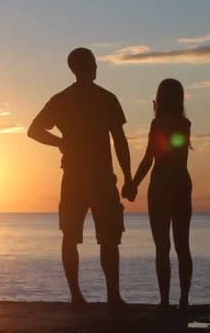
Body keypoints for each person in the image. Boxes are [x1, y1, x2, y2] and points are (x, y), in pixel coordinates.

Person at [28, 48, 134, 312]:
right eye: (94, 62)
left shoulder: (65, 99)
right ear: (89, 66)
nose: (96, 66)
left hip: (81, 177)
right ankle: (109, 297)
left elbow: (35, 130)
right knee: (102, 237)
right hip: (94, 177)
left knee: (75, 235)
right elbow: (119, 141)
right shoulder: (105, 98)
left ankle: (83, 296)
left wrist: (61, 142)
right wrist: (129, 177)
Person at [129, 78, 193, 312]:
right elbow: (177, 151)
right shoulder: (185, 124)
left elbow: (149, 159)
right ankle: (184, 300)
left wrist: (133, 184)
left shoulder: (158, 124)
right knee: (182, 246)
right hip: (182, 185)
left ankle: (165, 301)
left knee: (162, 247)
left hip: (161, 187)